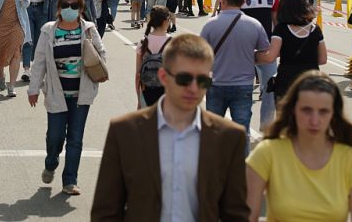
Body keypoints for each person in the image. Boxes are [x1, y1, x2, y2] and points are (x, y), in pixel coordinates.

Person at [92, 34, 249, 221]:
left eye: (202, 81)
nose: (193, 88)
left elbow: (236, 214)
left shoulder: (229, 137)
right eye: (184, 79)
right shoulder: (125, 131)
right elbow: (106, 211)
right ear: (163, 77)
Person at [245, 71, 352, 222]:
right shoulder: (267, 152)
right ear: (293, 111)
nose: (314, 120)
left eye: (323, 112)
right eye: (307, 110)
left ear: (334, 114)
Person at [28, 0, 107, 196]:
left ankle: (70, 180)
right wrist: (33, 88)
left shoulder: (89, 29)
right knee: (54, 137)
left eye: (74, 6)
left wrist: (95, 64)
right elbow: (39, 62)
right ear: (59, 8)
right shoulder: (48, 30)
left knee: (75, 138)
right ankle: (51, 161)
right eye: (65, 5)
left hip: (82, 93)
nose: (69, 10)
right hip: (56, 92)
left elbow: (102, 53)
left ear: (81, 9)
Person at [200, 0, 269, 150]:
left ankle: (213, 168)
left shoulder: (210, 25)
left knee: (213, 130)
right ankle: (240, 168)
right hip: (244, 84)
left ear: (222, 1)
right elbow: (263, 53)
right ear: (243, 2)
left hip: (216, 83)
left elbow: (200, 54)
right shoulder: (254, 24)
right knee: (242, 131)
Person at [256, 0, 327, 100]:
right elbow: (323, 59)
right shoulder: (315, 29)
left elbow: (270, 57)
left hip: (287, 80)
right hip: (312, 80)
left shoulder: (281, 29)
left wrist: (254, 55)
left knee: (286, 115)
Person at [242, 0, 279, 129]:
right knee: (244, 90)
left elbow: (275, 19)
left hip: (266, 47)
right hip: (244, 48)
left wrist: (278, 41)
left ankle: (266, 127)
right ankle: (243, 127)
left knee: (270, 88)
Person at [23, 0, 54, 82]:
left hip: (42, 10)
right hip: (28, 9)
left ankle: (37, 67)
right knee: (28, 39)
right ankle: (26, 68)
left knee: (40, 40)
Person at [135, 5, 172, 107]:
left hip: (146, 89)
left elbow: (138, 73)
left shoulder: (143, 42)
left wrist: (139, 98)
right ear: (165, 21)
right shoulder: (172, 43)